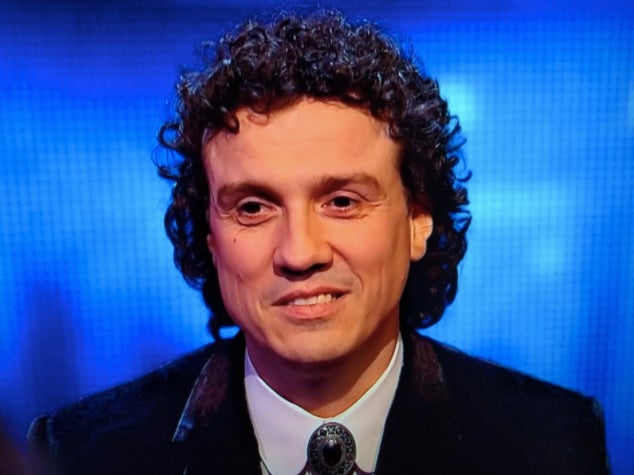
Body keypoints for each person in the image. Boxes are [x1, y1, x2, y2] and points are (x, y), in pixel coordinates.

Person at [27, 8, 608, 475]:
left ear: (418, 219)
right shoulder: (82, 455)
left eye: (342, 202)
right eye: (253, 207)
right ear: (210, 237)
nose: (300, 253)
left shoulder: (548, 444)